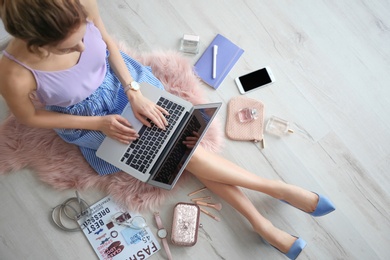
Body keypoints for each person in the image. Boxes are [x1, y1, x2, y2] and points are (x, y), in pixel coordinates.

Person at [0, 0, 335, 259]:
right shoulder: (13, 73)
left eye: (81, 38)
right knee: (184, 153)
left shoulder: (79, 5)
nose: (83, 50)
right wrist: (97, 124)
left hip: (126, 86)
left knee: (180, 150)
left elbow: (109, 46)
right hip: (89, 119)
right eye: (69, 48)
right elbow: (30, 118)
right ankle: (271, 198)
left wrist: (133, 91)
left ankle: (265, 214)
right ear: (38, 45)